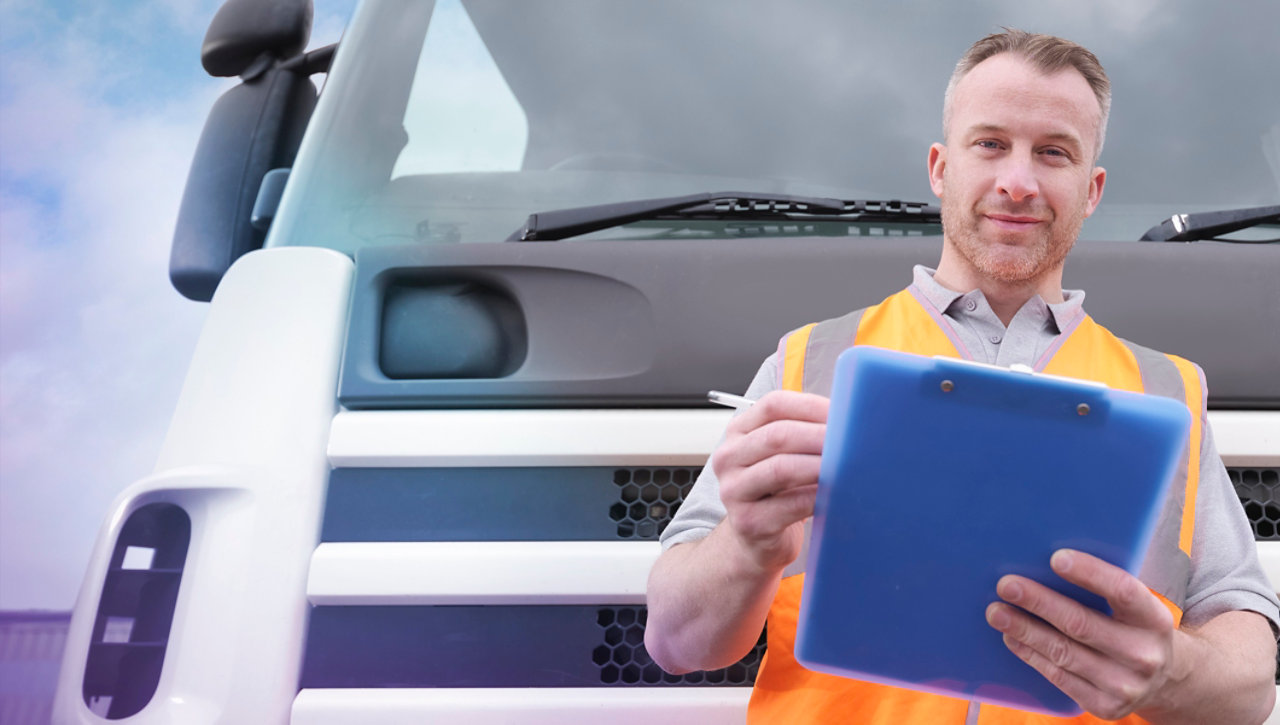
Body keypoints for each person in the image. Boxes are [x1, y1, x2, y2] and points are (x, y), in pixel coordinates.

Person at [644, 29, 1280, 725]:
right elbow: (676, 642)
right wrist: (747, 543)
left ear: (1091, 189)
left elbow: (1250, 688)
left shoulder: (1168, 392)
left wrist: (1173, 671)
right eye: (990, 144)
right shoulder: (807, 363)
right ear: (939, 168)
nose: (1017, 180)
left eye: (1053, 152)